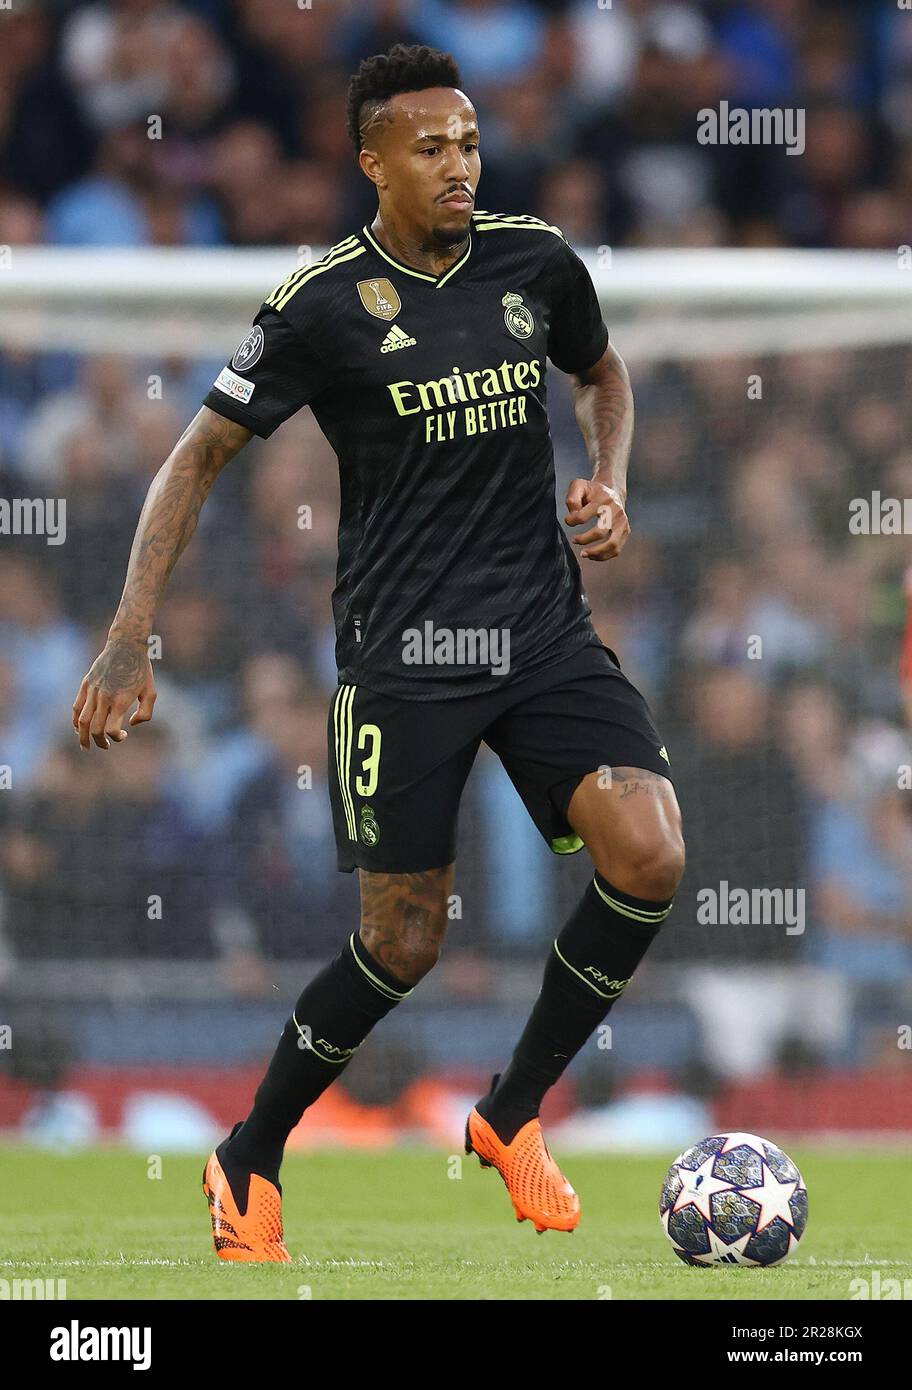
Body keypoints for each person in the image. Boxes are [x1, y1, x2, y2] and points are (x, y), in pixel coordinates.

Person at [72, 44, 685, 1261]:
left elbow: (602, 372)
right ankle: (250, 1155)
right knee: (405, 942)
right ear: (372, 163)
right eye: (429, 148)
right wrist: (129, 633)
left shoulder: (535, 262)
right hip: (403, 661)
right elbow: (195, 457)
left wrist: (610, 479)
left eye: (467, 142)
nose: (459, 164)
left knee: (652, 852)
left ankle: (510, 1113)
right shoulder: (322, 304)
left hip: (544, 633)